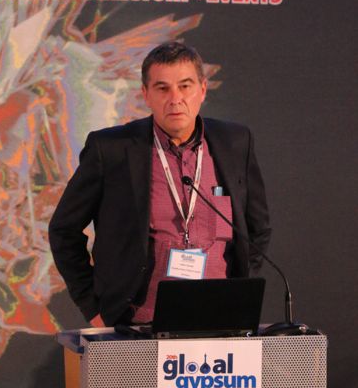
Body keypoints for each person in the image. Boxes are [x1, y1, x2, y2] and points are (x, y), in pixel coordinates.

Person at [49, 41, 271, 328]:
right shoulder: (111, 149)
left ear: (203, 90)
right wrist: (93, 308)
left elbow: (257, 229)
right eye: (162, 88)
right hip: (138, 324)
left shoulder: (235, 143)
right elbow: (63, 230)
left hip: (220, 322)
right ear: (145, 94)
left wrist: (239, 292)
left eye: (185, 86)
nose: (175, 99)